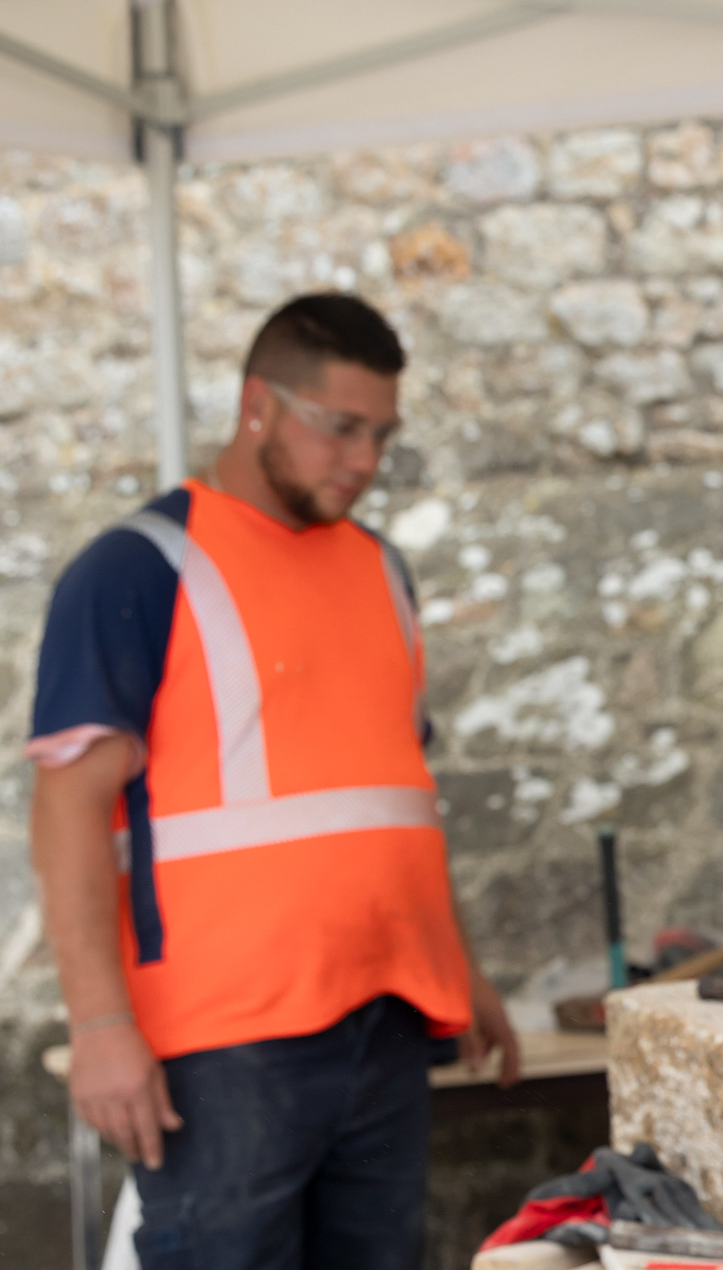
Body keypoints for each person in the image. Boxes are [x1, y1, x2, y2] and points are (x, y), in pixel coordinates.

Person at [29, 292, 520, 1269]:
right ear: (259, 405)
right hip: (223, 1045)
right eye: (340, 427)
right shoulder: (135, 569)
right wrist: (98, 1024)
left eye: (382, 433)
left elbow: (398, 792)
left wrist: (463, 968)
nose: (365, 459)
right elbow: (68, 809)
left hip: (386, 1023)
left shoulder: (381, 568)